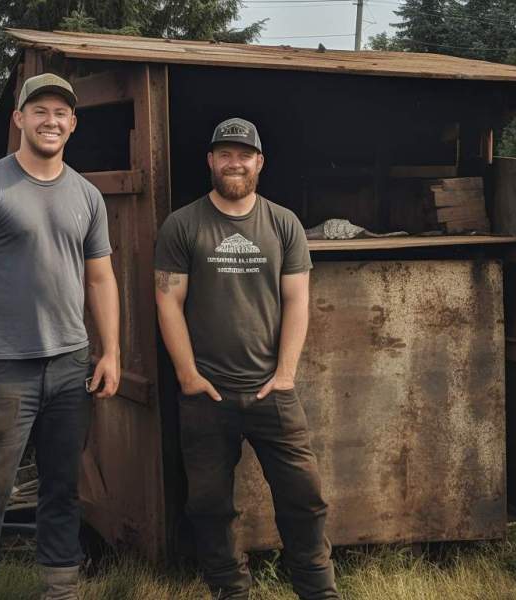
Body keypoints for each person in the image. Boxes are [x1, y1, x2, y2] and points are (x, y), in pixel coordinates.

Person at [0, 73, 121, 600]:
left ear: (73, 124)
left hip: (69, 365)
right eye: (39, 110)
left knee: (63, 487)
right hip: (2, 367)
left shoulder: (87, 196)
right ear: (19, 118)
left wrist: (110, 351)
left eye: (61, 113)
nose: (51, 121)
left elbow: (100, 279)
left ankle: (60, 590)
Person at [153, 118, 340, 600]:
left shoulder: (283, 223)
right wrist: (188, 376)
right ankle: (230, 590)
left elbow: (297, 301)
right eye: (225, 154)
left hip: (272, 392)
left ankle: (318, 591)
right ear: (210, 161)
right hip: (207, 395)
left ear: (259, 162)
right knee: (209, 505)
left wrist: (285, 375)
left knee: (304, 498)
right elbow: (168, 301)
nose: (234, 163)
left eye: (243, 155)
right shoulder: (183, 224)